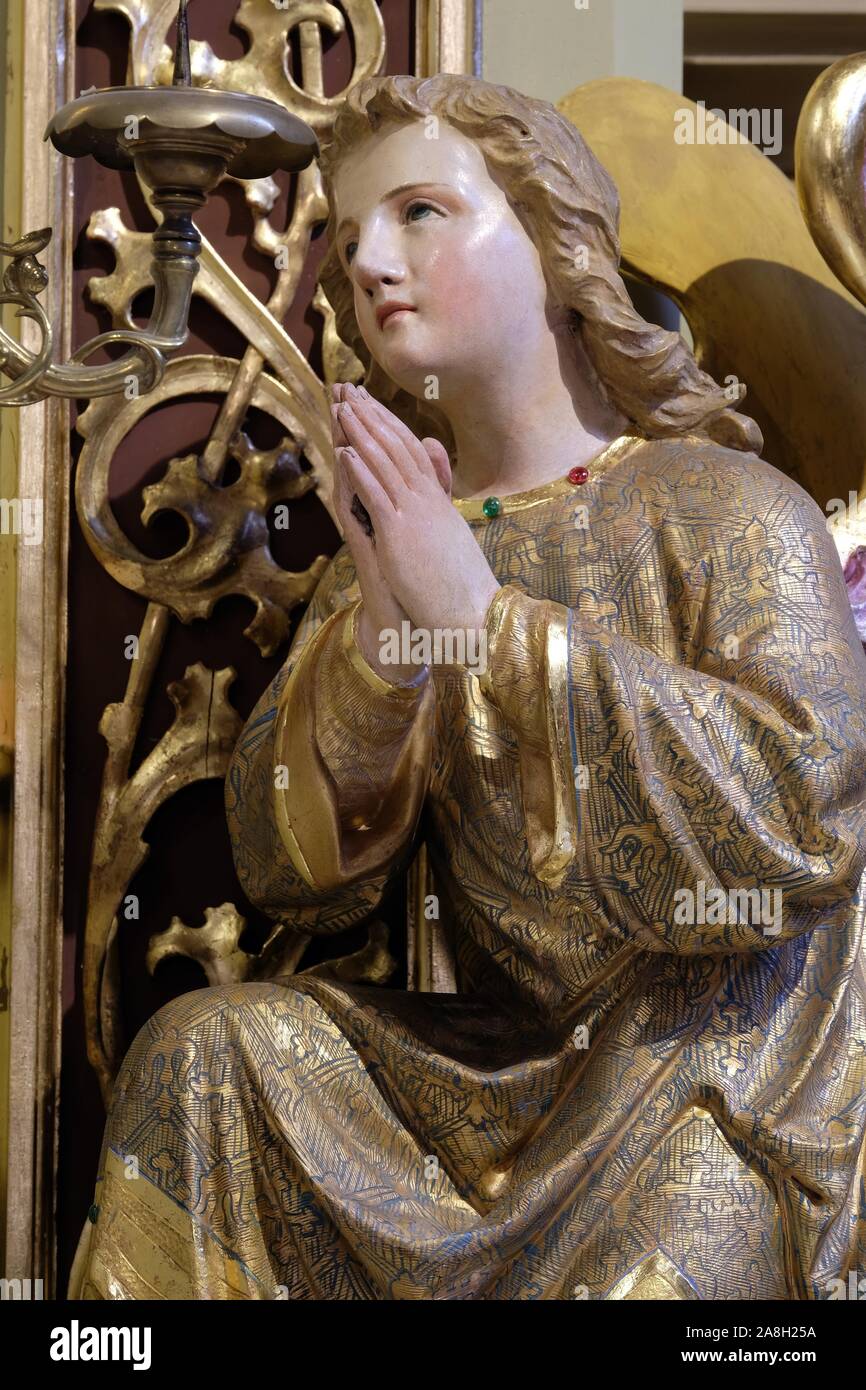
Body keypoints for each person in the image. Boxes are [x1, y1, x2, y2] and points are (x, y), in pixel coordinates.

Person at [72, 74, 866, 1301]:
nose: (367, 262)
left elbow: (801, 819)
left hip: (704, 1080)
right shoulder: (392, 542)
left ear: (554, 242)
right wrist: (383, 653)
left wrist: (482, 624)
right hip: (489, 1079)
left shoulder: (718, 509)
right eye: (343, 233)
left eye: (421, 213)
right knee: (205, 1056)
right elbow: (287, 874)